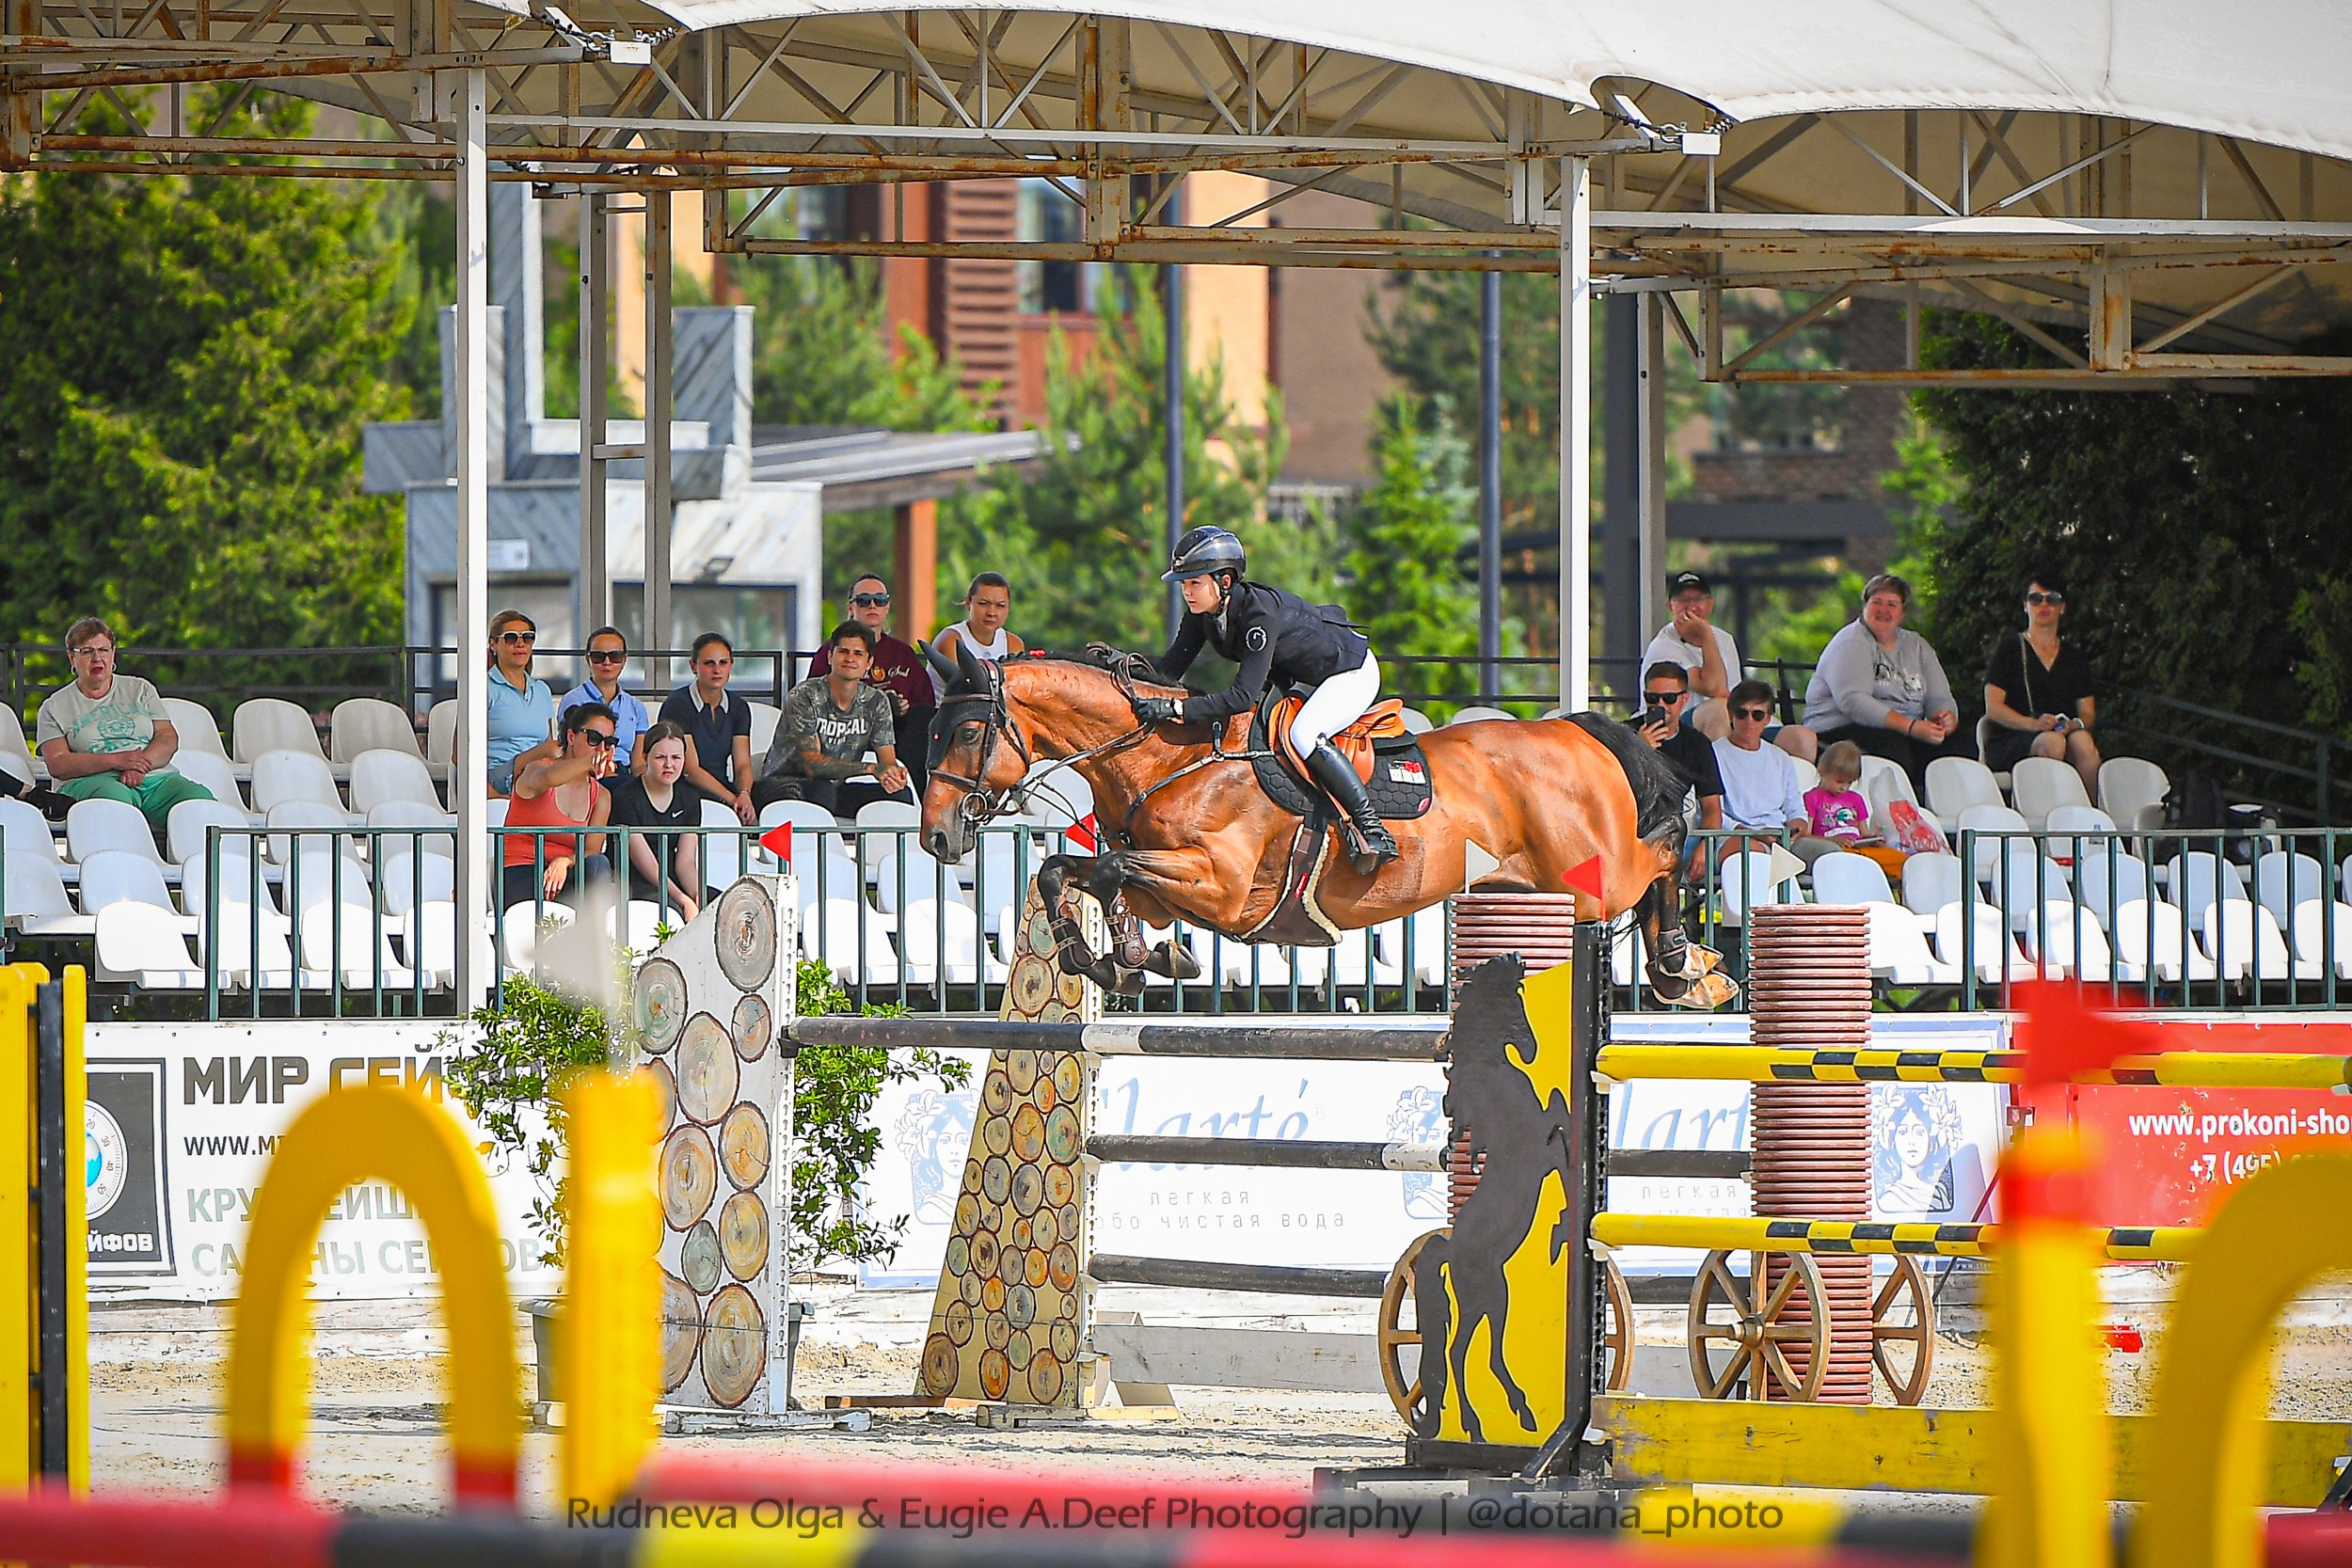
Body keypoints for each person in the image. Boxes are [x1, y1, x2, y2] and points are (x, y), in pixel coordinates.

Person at [1136, 526, 1397, 873]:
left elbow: (1242, 696)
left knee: (1303, 734)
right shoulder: (1203, 616)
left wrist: (1178, 709)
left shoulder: (1259, 617)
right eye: (1184, 584)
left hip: (1349, 672)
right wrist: (1123, 672)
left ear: (1225, 581)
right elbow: (1169, 670)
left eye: (1194, 583)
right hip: (1301, 677)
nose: (1186, 592)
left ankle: (1371, 827)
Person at [1780, 573, 1973, 795]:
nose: (1883, 610)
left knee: (1960, 745)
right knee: (1894, 749)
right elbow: (1854, 702)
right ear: (1865, 606)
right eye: (1877, 602)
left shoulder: (1917, 645)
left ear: (1902, 612)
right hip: (1843, 728)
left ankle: (1941, 815)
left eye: (1892, 604)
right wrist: (1910, 727)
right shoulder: (1851, 641)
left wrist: (1944, 717)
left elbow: (1940, 696)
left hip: (1907, 730)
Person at [34, 618, 214, 839]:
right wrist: (117, 761)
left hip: (153, 777)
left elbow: (167, 738)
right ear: (72, 657)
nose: (97, 658)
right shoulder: (54, 706)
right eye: (87, 651)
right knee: (115, 799)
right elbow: (58, 763)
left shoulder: (140, 688)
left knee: (199, 799)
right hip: (92, 780)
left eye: (103, 650)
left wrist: (139, 766)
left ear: (113, 653)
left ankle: (198, 868)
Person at [755, 622, 914, 817]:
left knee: (900, 796)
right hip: (784, 784)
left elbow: (887, 760)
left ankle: (886, 849)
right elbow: (811, 765)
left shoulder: (876, 701)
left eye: (858, 654)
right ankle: (823, 848)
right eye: (843, 651)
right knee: (822, 791)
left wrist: (892, 776)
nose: (850, 659)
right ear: (830, 656)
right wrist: (871, 769)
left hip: (833, 788)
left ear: (869, 663)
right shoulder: (805, 696)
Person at [810, 573, 934, 791]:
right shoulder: (831, 651)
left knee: (923, 718)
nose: (872, 606)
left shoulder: (903, 653)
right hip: (847, 726)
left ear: (887, 607)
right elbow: (814, 697)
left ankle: (914, 792)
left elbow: (925, 701)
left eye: (880, 600)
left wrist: (905, 707)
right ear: (851, 607)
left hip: (898, 733)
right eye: (864, 600)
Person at [1981, 574, 2101, 796]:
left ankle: (2091, 817)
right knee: (2052, 742)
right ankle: (2047, 817)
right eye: (2036, 598)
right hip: (2015, 735)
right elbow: (1994, 708)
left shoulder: (2074, 657)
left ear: (2062, 607)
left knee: (2083, 741)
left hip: (2061, 730)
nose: (2044, 604)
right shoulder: (2009, 649)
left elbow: (2088, 713)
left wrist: (2074, 725)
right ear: (2026, 606)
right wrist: (2033, 724)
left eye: (2052, 599)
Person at [501, 703, 615, 911]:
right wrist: (591, 762)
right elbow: (549, 778)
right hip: (522, 869)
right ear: (571, 737)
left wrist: (565, 861)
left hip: (567, 874)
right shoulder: (537, 767)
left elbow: (591, 850)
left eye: (609, 743)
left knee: (598, 865)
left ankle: (595, 938)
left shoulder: (601, 795)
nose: (601, 749)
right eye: (594, 739)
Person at [1711, 678, 1839, 864]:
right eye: (1741, 713)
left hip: (1782, 838)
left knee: (1832, 854)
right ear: (1730, 715)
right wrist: (1755, 835)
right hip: (1737, 837)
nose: (1749, 721)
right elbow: (1712, 814)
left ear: (1768, 718)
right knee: (1751, 855)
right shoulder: (1713, 753)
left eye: (1757, 715)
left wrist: (1794, 831)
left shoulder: (1780, 758)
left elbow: (1796, 810)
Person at [608, 721, 703, 920]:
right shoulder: (626, 796)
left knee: (720, 902)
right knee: (672, 912)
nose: (669, 765)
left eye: (676, 757)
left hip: (672, 878)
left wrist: (696, 895)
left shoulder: (690, 798)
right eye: (661, 757)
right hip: (635, 880)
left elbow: (685, 861)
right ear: (644, 757)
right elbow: (645, 861)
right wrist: (683, 900)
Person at [1635, 661, 1724, 875]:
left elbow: (1712, 808)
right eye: (1653, 699)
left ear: (1685, 699)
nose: (1661, 705)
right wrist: (1639, 750)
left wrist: (1705, 846)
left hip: (1676, 835)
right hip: (1633, 835)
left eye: (1670, 698)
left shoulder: (1696, 743)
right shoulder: (1628, 735)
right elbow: (1613, 791)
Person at [659, 632, 755, 824]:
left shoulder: (739, 707)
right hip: (684, 789)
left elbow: (742, 764)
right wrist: (732, 799)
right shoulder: (678, 704)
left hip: (723, 788)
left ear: (731, 666)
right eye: (709, 663)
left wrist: (744, 795)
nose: (717, 670)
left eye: (723, 663)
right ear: (693, 666)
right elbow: (690, 769)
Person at [1642, 571, 1741, 741]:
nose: (1692, 606)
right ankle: (1716, 769)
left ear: (1710, 604)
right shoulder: (1664, 644)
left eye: (1699, 599)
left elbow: (1734, 696)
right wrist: (1706, 636)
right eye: (1683, 600)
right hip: (1670, 725)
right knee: (1718, 709)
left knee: (1795, 736)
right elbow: (1717, 690)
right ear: (1670, 606)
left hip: (1725, 720)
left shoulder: (1725, 639)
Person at [485, 609, 558, 796]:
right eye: (510, 638)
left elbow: (547, 742)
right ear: (493, 644)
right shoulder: (482, 687)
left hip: (538, 772)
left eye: (527, 638)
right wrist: (491, 794)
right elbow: (460, 755)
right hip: (499, 775)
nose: (520, 644)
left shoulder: (542, 690)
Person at [559, 626, 650, 774]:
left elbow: (638, 764)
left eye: (615, 656)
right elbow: (569, 751)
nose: (607, 662)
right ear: (588, 660)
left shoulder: (636, 706)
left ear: (624, 660)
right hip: (585, 772)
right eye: (598, 657)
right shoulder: (573, 699)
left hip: (623, 773)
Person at [928, 572, 1025, 702]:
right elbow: (966, 690)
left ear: (1008, 608)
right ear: (968, 603)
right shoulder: (951, 640)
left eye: (1000, 606)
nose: (991, 612)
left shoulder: (1014, 644)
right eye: (983, 603)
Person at [1804, 741, 1873, 849]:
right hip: (1831, 849)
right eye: (1839, 781)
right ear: (1822, 770)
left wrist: (1873, 840)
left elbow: (1864, 833)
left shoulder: (1856, 799)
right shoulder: (1811, 798)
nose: (1844, 788)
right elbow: (1805, 837)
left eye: (1849, 782)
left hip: (1858, 849)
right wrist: (1833, 841)